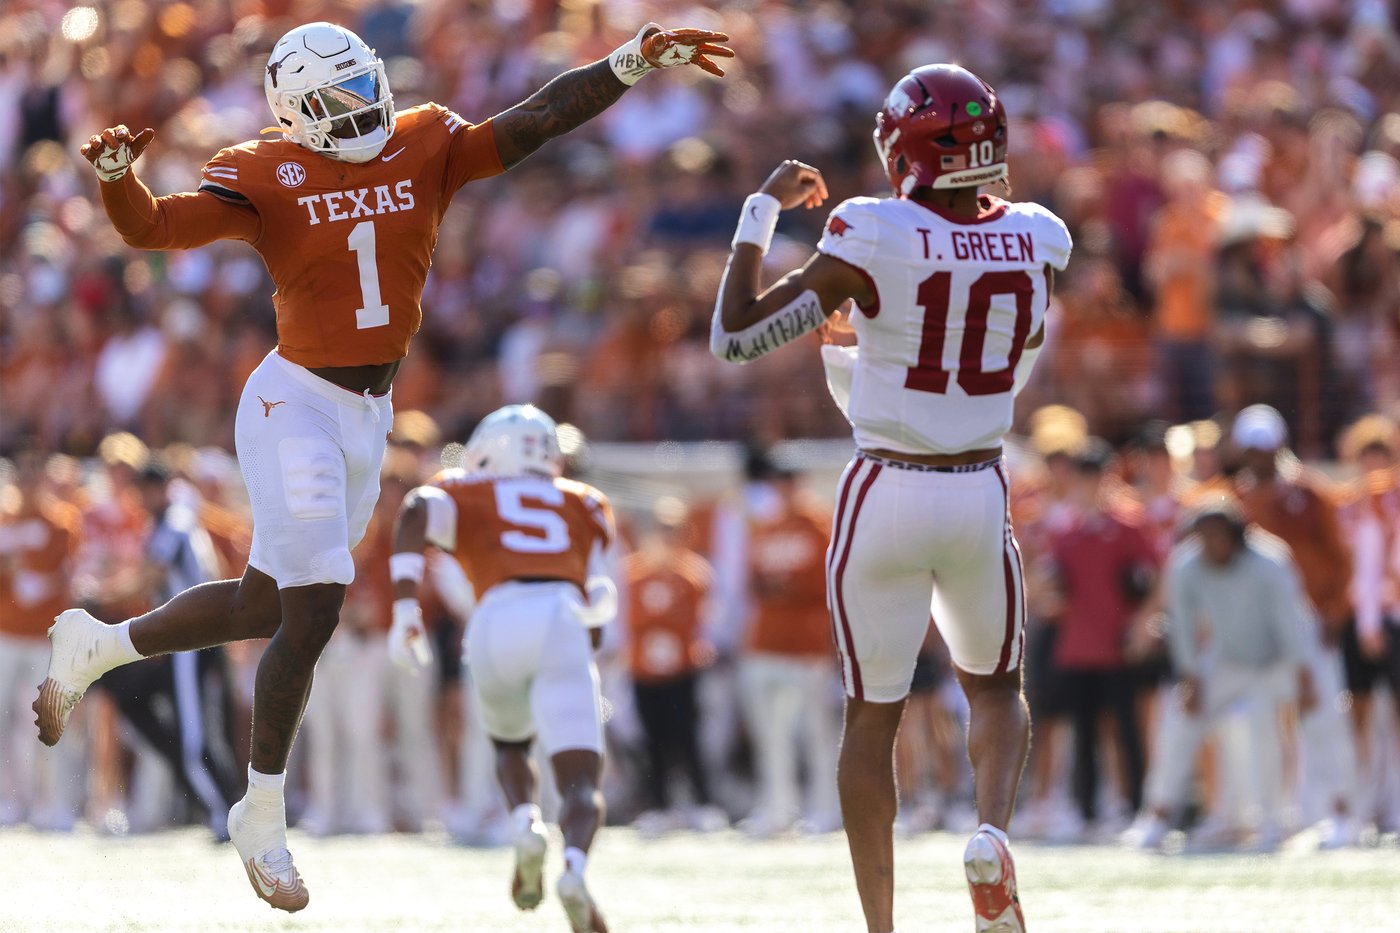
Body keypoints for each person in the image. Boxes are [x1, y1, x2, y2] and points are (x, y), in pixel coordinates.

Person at [34, 19, 730, 913]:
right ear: (297, 113)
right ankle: (263, 808)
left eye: (366, 87)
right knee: (316, 601)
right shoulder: (267, 169)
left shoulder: (425, 139)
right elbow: (157, 229)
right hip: (294, 401)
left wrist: (627, 59)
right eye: (340, 100)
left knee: (262, 603)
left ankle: (99, 643)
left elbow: (540, 116)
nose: (364, 108)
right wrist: (117, 181)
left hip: (367, 415)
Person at [712, 64, 1072, 933]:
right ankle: (989, 832)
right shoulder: (1039, 235)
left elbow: (735, 337)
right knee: (995, 687)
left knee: (873, 714)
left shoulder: (871, 230)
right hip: (979, 484)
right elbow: (1003, 359)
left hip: (885, 486)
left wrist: (759, 211)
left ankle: (882, 923)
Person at [389, 405, 618, 933]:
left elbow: (417, 508)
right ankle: (575, 869)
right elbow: (601, 607)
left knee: (509, 745)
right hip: (562, 614)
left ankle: (524, 822)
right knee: (582, 779)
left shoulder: (469, 489)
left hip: (493, 618)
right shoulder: (585, 501)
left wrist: (406, 609)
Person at [1126, 499, 1310, 852]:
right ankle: (1158, 815)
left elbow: (1290, 618)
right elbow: (1180, 624)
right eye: (1204, 535)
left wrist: (1301, 670)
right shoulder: (1185, 565)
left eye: (1218, 535)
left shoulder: (1270, 561)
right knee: (1180, 722)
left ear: (1237, 535)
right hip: (1223, 662)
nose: (1211, 543)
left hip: (1272, 663)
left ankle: (1271, 820)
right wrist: (1190, 676)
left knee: (1263, 730)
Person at [1229, 403, 1358, 845]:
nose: (1259, 457)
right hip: (1262, 636)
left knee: (1323, 717)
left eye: (1264, 448)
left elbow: (1341, 559)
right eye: (1252, 449)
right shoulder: (1235, 500)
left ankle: (1341, 811)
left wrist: (1334, 612)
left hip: (1309, 622)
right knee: (1264, 722)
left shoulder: (1311, 494)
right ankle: (1272, 817)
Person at [96, 460, 244, 839]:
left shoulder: (175, 520)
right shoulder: (173, 521)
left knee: (194, 737)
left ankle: (223, 813)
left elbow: (151, 576)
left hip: (189, 641)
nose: (145, 497)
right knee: (132, 696)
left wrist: (98, 596)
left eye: (151, 489)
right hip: (185, 638)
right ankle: (205, 793)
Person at [1047, 439, 1157, 834]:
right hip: (1077, 646)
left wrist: (1143, 623)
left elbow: (1156, 576)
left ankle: (1136, 806)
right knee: (1083, 732)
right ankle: (1087, 810)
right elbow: (1049, 588)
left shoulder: (1127, 525)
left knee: (1128, 729)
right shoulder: (1066, 531)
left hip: (1117, 644)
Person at [739, 467, 841, 837]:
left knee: (817, 732)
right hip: (766, 642)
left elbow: (823, 581)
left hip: (807, 645)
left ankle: (825, 808)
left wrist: (785, 587)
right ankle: (779, 809)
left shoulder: (817, 524)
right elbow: (753, 581)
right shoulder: (765, 527)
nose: (782, 490)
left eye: (787, 482)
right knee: (771, 736)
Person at [620, 499, 722, 832]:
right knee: (652, 739)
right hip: (643, 669)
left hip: (682, 667)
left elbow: (706, 621)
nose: (667, 537)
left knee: (688, 737)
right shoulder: (631, 573)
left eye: (673, 529)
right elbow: (625, 621)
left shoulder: (693, 573)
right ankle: (658, 804)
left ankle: (701, 802)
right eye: (662, 529)